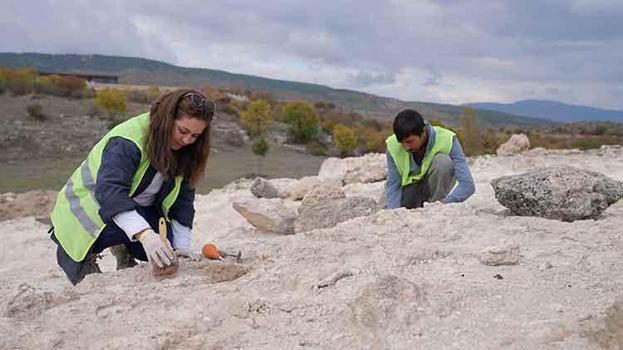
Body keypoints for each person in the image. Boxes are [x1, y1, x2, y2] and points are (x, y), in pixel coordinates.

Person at [49, 88, 214, 285]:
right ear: (167, 119)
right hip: (87, 213)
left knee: (166, 246)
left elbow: (183, 201)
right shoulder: (128, 141)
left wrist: (182, 245)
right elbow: (111, 194)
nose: (187, 140)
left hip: (133, 206)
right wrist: (145, 235)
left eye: (195, 136)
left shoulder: (186, 149)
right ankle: (92, 253)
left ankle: (125, 247)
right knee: (91, 270)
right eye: (183, 131)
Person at [385, 109, 475, 209]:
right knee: (385, 209)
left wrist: (443, 205)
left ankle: (433, 208)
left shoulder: (447, 139)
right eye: (402, 143)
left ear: (423, 131)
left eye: (410, 141)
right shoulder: (393, 145)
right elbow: (393, 185)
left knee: (443, 163)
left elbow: (467, 185)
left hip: (435, 197)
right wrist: (393, 212)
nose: (406, 147)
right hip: (407, 194)